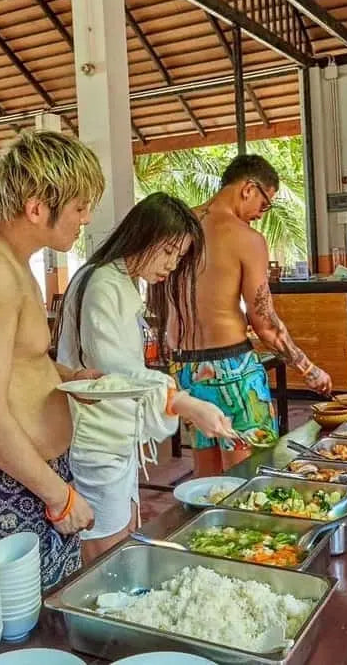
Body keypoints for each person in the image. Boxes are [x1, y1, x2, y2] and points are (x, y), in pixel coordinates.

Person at [0, 130, 105, 589]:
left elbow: (16, 366)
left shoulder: (12, 261)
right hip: (11, 480)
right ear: (36, 207)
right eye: (79, 206)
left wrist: (70, 378)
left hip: (36, 473)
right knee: (21, 637)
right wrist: (61, 498)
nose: (86, 218)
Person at [57, 192, 236, 564]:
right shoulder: (104, 283)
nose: (172, 264)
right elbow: (117, 374)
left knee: (120, 533)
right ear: (143, 236)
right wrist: (186, 402)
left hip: (111, 433)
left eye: (179, 256)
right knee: (104, 545)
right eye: (168, 251)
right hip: (97, 437)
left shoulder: (119, 281)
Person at [167, 154, 333, 478]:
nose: (260, 215)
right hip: (232, 368)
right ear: (247, 188)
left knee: (208, 478)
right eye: (264, 203)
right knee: (251, 475)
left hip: (186, 367)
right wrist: (308, 368)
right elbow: (264, 323)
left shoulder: (176, 225)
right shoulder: (246, 239)